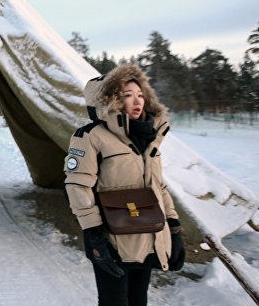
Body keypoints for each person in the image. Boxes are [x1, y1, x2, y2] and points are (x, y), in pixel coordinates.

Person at [64, 64, 185, 306]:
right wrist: (94, 234)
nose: (136, 101)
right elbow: (78, 186)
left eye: (140, 94)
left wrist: (174, 227)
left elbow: (159, 188)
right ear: (110, 101)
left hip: (147, 235)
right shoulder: (91, 136)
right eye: (127, 95)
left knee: (138, 300)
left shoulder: (149, 138)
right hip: (113, 240)